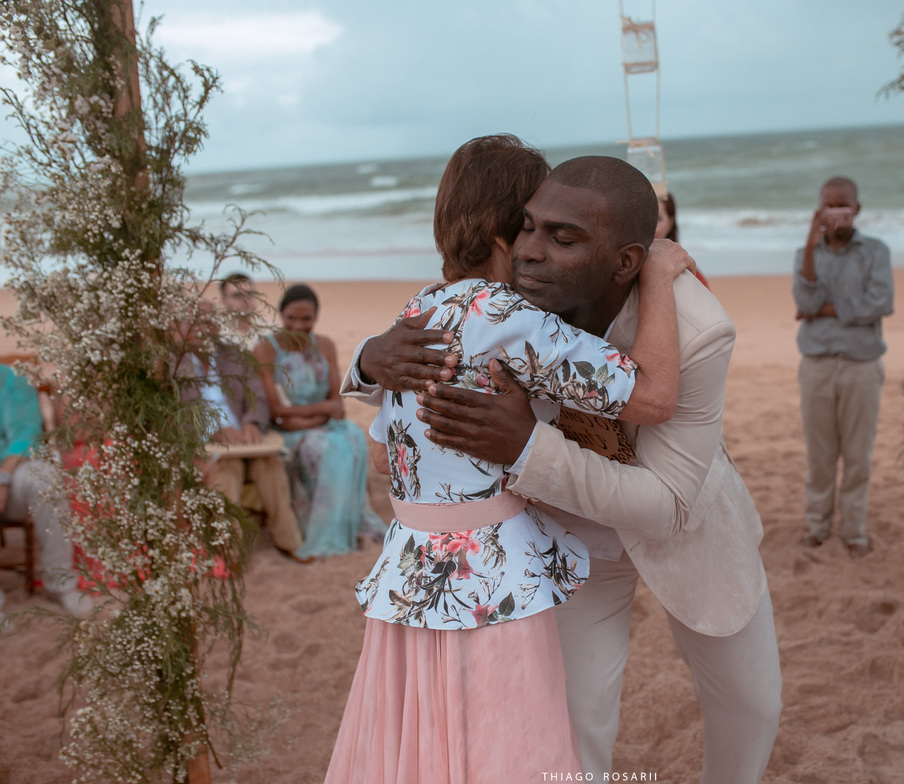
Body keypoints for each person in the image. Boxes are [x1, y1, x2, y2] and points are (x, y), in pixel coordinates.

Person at [349, 158, 782, 782]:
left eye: (563, 238)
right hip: (566, 535)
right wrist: (368, 357)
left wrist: (526, 450)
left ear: (626, 260)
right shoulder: (509, 295)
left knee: (750, 705)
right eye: (526, 227)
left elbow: (667, 504)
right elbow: (445, 333)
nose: (530, 252)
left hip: (686, 525)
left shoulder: (699, 331)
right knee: (573, 720)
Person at [792, 176, 893, 556]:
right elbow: (803, 295)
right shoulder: (807, 254)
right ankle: (817, 526)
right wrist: (809, 240)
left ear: (857, 208)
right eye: (829, 205)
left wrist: (822, 310)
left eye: (843, 204)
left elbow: (879, 302)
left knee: (857, 456)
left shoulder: (876, 252)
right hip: (816, 366)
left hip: (861, 366)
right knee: (819, 456)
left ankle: (854, 532)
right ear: (820, 209)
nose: (837, 212)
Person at [254, 285, 381, 559]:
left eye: (306, 319)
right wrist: (320, 410)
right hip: (288, 431)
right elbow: (276, 411)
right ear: (281, 314)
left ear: (316, 318)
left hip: (321, 424)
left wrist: (315, 413)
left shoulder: (325, 345)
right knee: (326, 448)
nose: (298, 325)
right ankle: (326, 527)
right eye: (291, 318)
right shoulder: (266, 349)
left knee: (353, 437)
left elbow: (338, 406)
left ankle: (352, 521)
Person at [186, 282, 305, 560]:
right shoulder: (176, 364)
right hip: (208, 446)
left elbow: (258, 397)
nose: (206, 329)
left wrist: (252, 423)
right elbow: (179, 409)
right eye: (198, 323)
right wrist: (214, 429)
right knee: (227, 472)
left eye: (210, 322)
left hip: (247, 440)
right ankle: (232, 554)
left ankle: (290, 543)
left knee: (271, 465)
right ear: (184, 328)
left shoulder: (234, 356)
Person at [0, 364, 90, 621]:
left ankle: (61, 582)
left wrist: (3, 478)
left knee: (45, 478)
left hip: (9, 474)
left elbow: (26, 436)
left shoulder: (9, 379)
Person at [656, 190, 709, 287]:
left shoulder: (691, 273)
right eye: (645, 218)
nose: (650, 225)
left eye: (658, 219)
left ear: (670, 222)